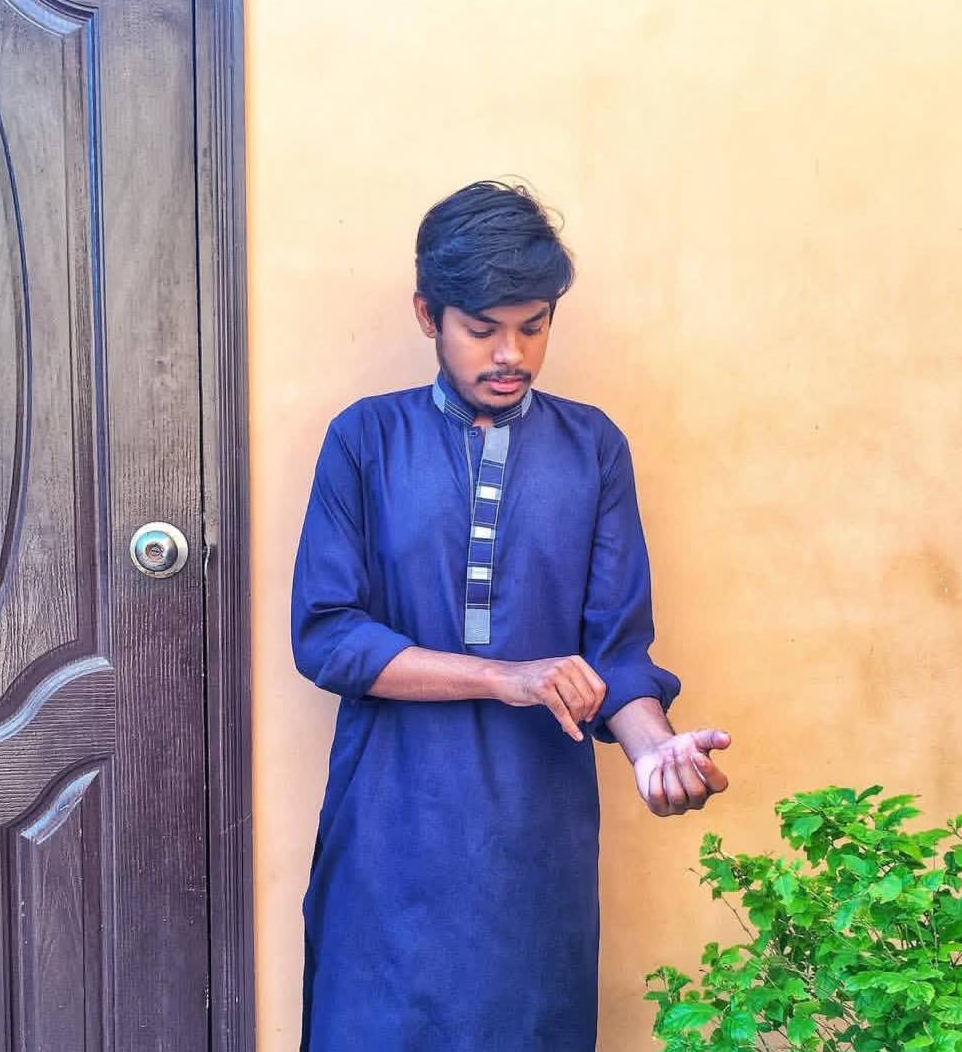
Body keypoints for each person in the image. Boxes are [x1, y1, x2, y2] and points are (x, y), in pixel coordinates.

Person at [291, 180, 731, 1052]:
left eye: (533, 326)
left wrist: (653, 752)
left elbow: (617, 653)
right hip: (391, 819)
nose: (511, 353)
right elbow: (329, 635)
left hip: (534, 834)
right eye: (482, 328)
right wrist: (505, 676)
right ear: (428, 314)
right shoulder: (365, 440)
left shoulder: (591, 447)